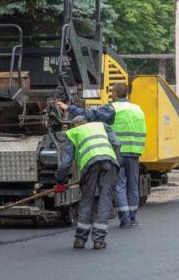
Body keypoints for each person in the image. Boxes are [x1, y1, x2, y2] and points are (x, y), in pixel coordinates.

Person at [56, 82, 147, 228]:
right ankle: (133, 218)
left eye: (112, 92)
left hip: (118, 151)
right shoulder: (137, 109)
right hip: (135, 151)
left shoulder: (113, 108)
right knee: (133, 185)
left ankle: (125, 219)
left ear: (115, 93)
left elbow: (91, 115)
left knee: (119, 185)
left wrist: (69, 108)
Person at [54, 116, 120, 250]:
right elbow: (117, 144)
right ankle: (99, 240)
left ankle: (80, 239)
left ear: (74, 125)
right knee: (105, 200)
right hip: (110, 163)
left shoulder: (73, 133)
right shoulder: (101, 125)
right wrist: (114, 160)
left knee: (87, 200)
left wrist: (60, 180)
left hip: (90, 165)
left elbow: (65, 163)